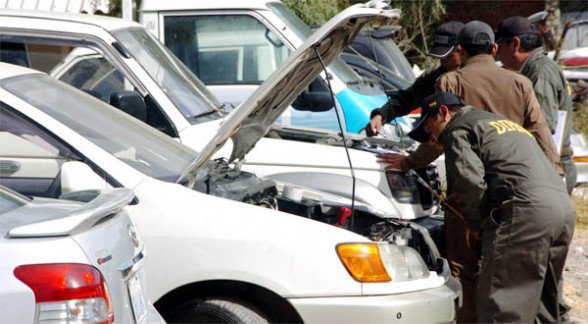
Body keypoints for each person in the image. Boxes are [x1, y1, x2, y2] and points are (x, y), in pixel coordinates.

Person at [377, 21, 563, 323]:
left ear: (460, 50)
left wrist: (408, 162)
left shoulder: (450, 82)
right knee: (522, 277)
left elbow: (440, 138)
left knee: (466, 271)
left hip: (467, 194)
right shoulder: (520, 82)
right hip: (519, 195)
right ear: (492, 48)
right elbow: (542, 135)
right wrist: (554, 178)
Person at [409, 92, 574, 323]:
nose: (433, 140)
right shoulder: (498, 122)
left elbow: (470, 183)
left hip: (526, 212)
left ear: (443, 113)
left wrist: (479, 225)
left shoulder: (457, 128)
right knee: (542, 305)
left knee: (502, 305)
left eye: (429, 130)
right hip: (562, 210)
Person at [495, 16, 576, 194]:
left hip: (550, 168)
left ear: (514, 44)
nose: (497, 54)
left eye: (499, 46)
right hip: (550, 164)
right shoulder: (538, 68)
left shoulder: (540, 72)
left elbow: (543, 125)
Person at [366, 21, 464, 136]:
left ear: (462, 50)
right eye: (440, 57)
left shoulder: (477, 79)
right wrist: (381, 115)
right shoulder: (435, 77)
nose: (443, 61)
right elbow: (406, 99)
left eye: (448, 56)